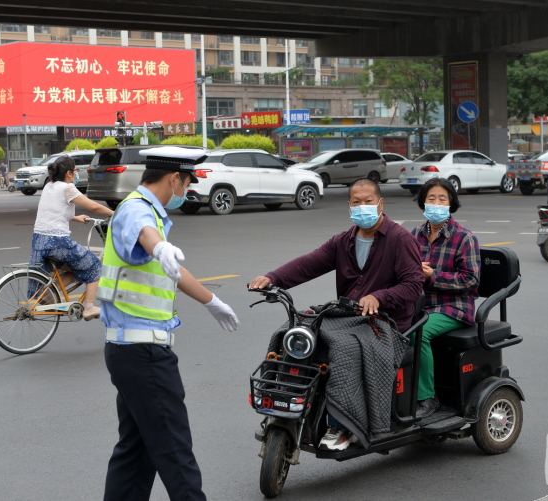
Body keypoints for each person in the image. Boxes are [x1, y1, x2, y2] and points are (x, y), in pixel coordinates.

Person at [99, 146, 240, 501]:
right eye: (188, 181)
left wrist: (214, 302)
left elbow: (175, 271)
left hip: (129, 350)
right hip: (143, 354)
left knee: (137, 452)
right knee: (175, 452)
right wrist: (159, 247)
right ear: (174, 178)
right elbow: (146, 234)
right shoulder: (138, 210)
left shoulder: (149, 212)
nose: (188, 190)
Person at [249, 178, 423, 451]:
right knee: (293, 332)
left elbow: (413, 286)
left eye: (368, 201)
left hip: (386, 323)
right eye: (357, 202)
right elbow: (307, 264)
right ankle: (285, 405)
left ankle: (344, 426)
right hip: (346, 317)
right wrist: (272, 279)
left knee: (343, 349)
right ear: (349, 205)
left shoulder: (401, 240)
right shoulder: (343, 241)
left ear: (380, 203)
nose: (363, 207)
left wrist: (379, 297)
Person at [411, 178, 480, 418]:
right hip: (421, 304)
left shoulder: (464, 238)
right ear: (423, 203)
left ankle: (427, 398)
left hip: (454, 307)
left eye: (442, 199)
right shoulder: (414, 235)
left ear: (451, 204)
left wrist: (433, 276)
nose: (436, 203)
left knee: (418, 332)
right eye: (431, 198)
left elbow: (470, 280)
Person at [29, 155, 114, 320]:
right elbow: (94, 206)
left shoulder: (49, 186)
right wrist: (118, 213)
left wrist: (75, 217)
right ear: (68, 173)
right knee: (94, 265)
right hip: (58, 242)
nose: (76, 174)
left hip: (40, 242)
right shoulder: (67, 188)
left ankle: (48, 293)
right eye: (75, 171)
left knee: (79, 267)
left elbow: (52, 211)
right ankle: (89, 307)